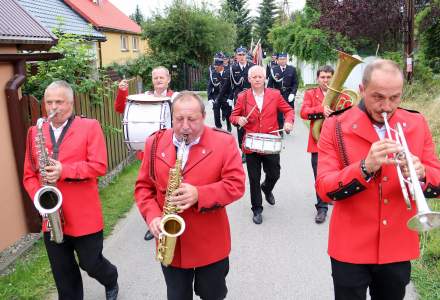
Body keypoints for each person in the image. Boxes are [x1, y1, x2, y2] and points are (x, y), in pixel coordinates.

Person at [316, 59, 440, 300]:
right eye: (378, 97)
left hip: (398, 243)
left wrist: (422, 172)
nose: (387, 106)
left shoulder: (416, 123)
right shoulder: (336, 126)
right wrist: (364, 168)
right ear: (362, 90)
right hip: (350, 246)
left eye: (395, 97)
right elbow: (324, 188)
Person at [134, 91, 245, 300]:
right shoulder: (155, 143)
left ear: (203, 117)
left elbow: (236, 185)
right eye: (179, 119)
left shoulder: (224, 142)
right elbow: (143, 188)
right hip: (171, 245)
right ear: (171, 118)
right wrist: (153, 216)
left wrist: (199, 194)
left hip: (210, 242)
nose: (185, 126)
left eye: (192, 119)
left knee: (213, 294)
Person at [23, 80, 119, 300]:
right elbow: (29, 175)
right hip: (52, 215)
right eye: (49, 102)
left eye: (59, 102)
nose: (53, 107)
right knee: (63, 274)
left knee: (91, 263)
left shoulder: (90, 126)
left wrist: (64, 170)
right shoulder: (34, 132)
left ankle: (110, 277)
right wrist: (41, 197)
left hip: (84, 214)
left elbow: (99, 166)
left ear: (71, 103)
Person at [114, 66, 175, 242]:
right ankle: (153, 222)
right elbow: (121, 109)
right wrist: (122, 92)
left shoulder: (175, 98)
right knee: (150, 189)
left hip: (171, 150)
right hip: (148, 152)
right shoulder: (144, 98)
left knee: (168, 187)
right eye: (155, 77)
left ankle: (170, 220)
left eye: (161, 77)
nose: (158, 80)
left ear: (168, 79)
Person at [230, 65, 294, 225]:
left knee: (274, 173)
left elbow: (289, 111)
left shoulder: (275, 94)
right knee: (253, 178)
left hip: (271, 141)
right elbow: (233, 116)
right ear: (249, 79)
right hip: (251, 143)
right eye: (254, 77)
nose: (257, 79)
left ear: (265, 78)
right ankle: (257, 209)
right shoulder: (243, 97)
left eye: (260, 77)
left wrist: (288, 123)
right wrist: (239, 120)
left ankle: (267, 187)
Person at [300, 65, 335, 224]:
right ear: (317, 78)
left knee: (335, 173)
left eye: (328, 77)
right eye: (323, 77)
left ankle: (331, 196)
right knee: (319, 175)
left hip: (336, 141)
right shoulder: (310, 93)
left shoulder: (339, 94)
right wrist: (321, 110)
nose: (326, 80)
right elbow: (303, 112)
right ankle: (322, 208)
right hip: (318, 141)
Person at [229, 46, 255, 163]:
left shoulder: (252, 67)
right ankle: (243, 149)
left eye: (243, 54)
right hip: (238, 98)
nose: (241, 57)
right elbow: (228, 84)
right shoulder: (232, 68)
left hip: (251, 98)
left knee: (251, 122)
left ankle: (251, 149)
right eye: (239, 55)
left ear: (246, 55)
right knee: (240, 125)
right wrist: (228, 98)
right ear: (236, 56)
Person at [267, 53, 298, 133]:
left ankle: (288, 126)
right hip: (278, 94)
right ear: (277, 60)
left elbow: (295, 83)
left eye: (284, 59)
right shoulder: (274, 70)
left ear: (286, 60)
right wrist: (269, 95)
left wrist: (293, 93)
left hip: (288, 94)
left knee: (290, 111)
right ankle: (280, 130)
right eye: (280, 59)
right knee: (279, 114)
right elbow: (270, 84)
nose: (282, 61)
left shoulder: (292, 69)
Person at [208, 57, 232, 132]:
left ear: (221, 66)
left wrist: (230, 98)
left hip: (226, 95)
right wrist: (210, 98)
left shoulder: (228, 73)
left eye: (217, 66)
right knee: (216, 109)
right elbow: (209, 86)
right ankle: (218, 127)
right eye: (214, 66)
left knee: (228, 111)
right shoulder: (213, 73)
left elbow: (231, 87)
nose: (215, 67)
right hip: (216, 95)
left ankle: (228, 123)